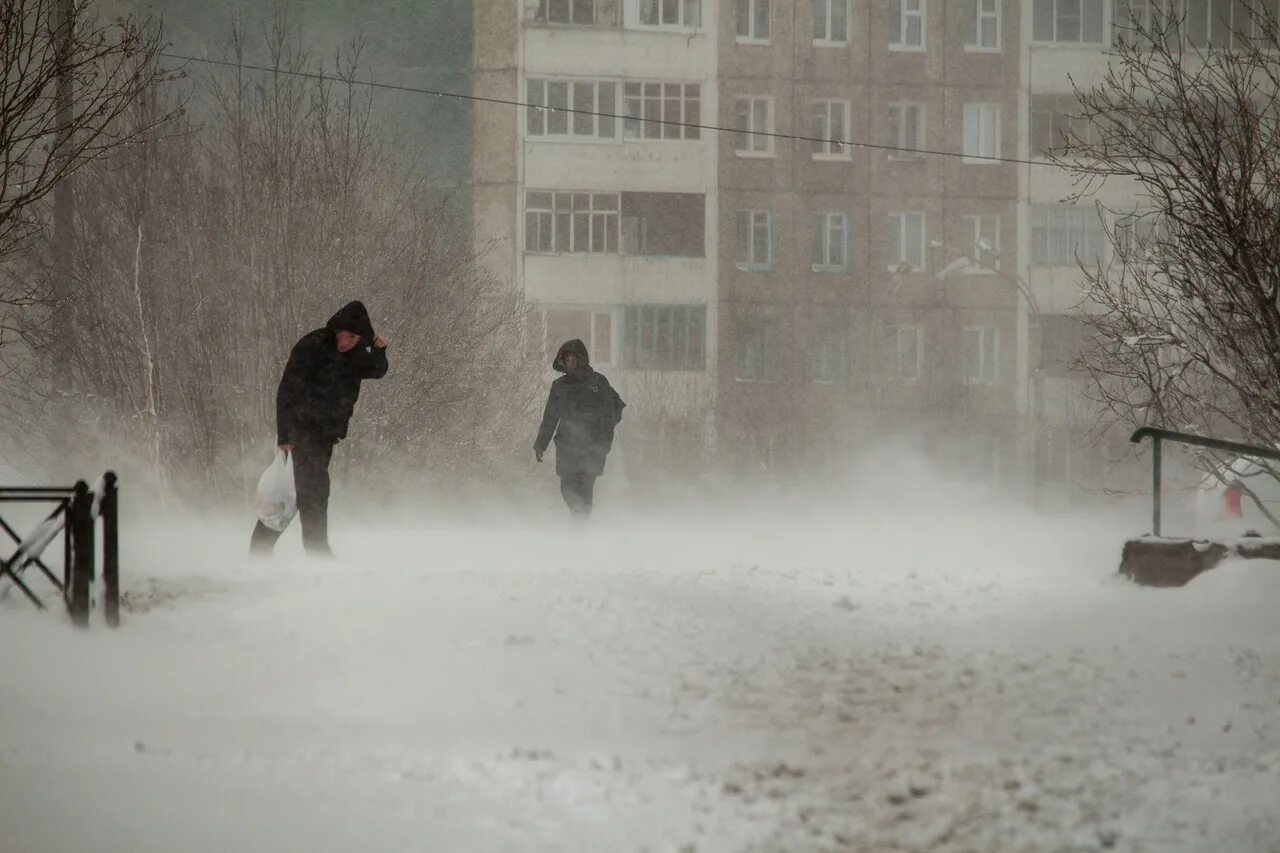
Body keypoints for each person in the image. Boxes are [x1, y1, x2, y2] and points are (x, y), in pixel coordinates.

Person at [250, 301, 389, 556]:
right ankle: (317, 552)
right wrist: (285, 434)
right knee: (312, 490)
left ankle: (261, 549)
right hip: (302, 430)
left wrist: (380, 349)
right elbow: (287, 389)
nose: (349, 343)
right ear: (338, 329)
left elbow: (377, 370)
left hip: (326, 435)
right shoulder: (312, 346)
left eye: (356, 338)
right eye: (348, 336)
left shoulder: (355, 353)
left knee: (296, 493)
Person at [534, 339, 626, 518]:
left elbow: (613, 412)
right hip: (567, 448)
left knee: (584, 492)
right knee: (566, 490)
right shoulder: (559, 387)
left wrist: (602, 442)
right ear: (563, 362)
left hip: (592, 449)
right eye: (567, 360)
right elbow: (550, 418)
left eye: (573, 359)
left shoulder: (598, 383)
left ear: (581, 359)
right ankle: (579, 524)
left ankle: (580, 532)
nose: (570, 363)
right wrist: (540, 443)